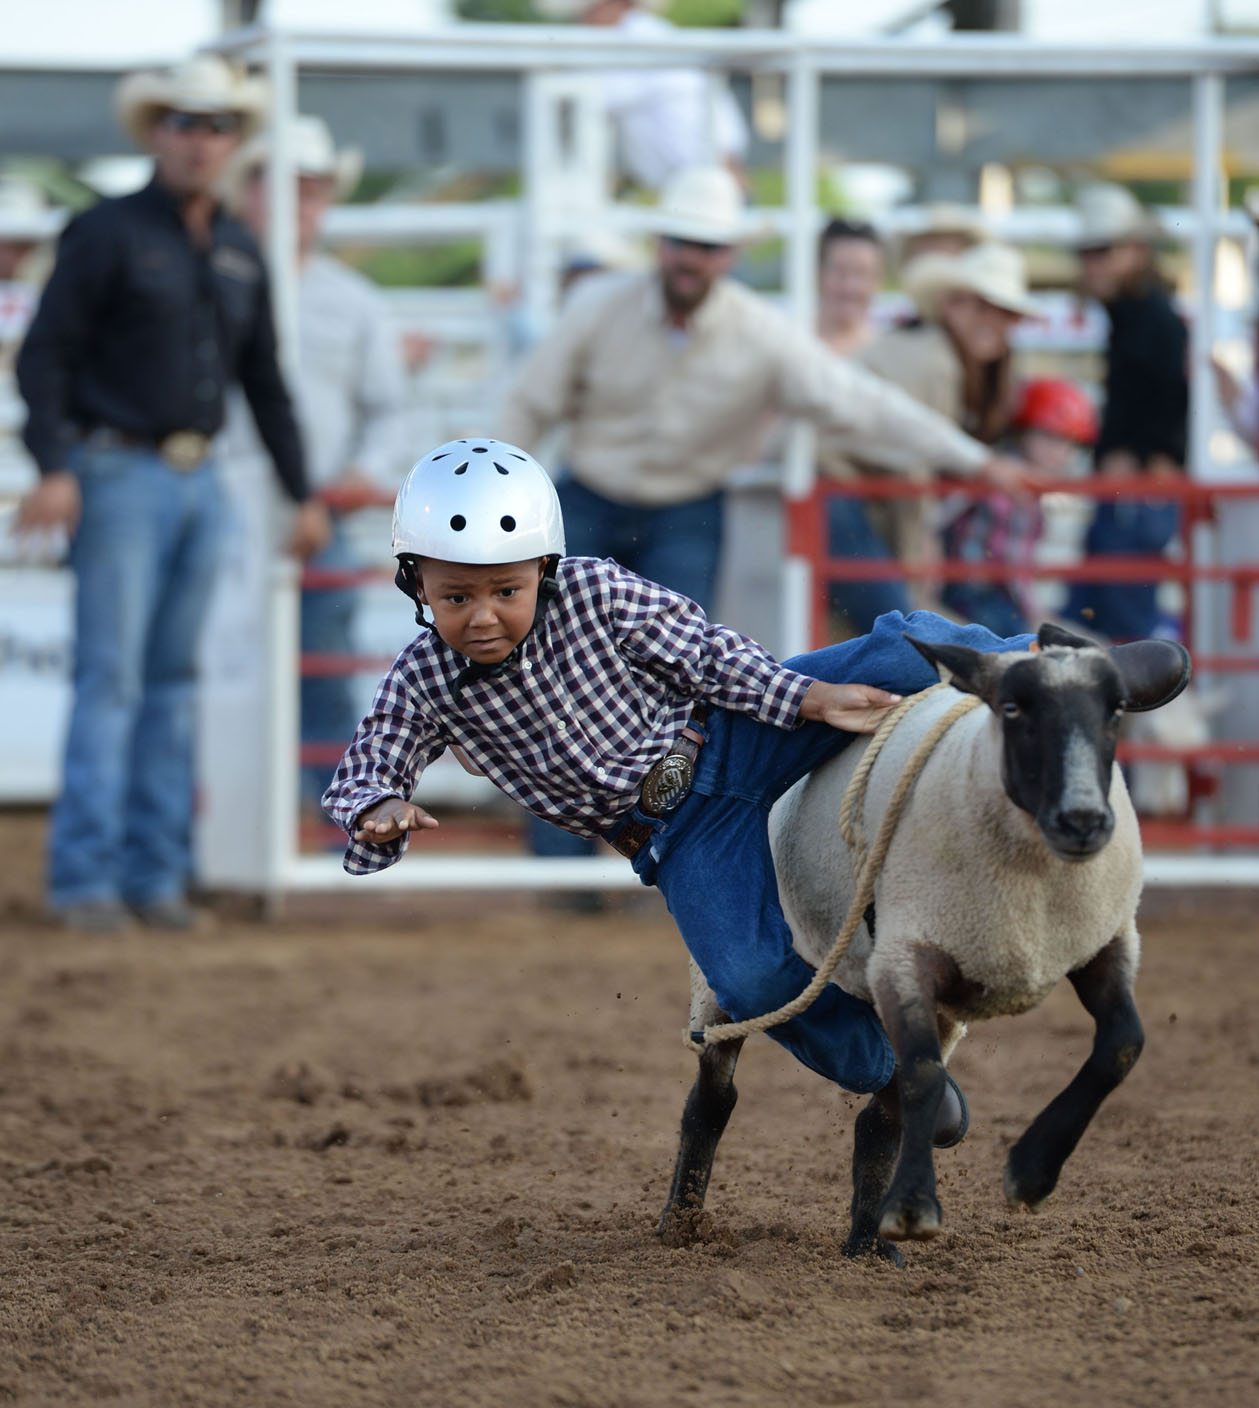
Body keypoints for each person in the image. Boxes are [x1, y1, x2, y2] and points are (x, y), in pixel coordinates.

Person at [322, 438, 1046, 1126]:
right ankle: (897, 1073)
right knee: (751, 980)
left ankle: (1038, 662)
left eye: (504, 590)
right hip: (676, 834)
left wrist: (801, 698)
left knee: (895, 650)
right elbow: (373, 758)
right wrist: (378, 806)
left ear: (542, 568)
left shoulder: (597, 591)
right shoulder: (425, 679)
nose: (482, 616)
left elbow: (704, 654)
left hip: (730, 735)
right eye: (456, 598)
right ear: (416, 585)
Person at [498, 166, 1026, 862]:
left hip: (681, 504)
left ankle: (645, 848)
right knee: (553, 668)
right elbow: (529, 404)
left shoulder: (755, 333)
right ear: (663, 244)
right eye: (684, 240)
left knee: (664, 684)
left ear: (729, 255)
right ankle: (563, 860)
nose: (692, 256)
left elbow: (861, 405)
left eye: (707, 244)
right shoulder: (603, 307)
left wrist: (972, 459)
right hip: (591, 497)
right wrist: (495, 500)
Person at [14, 55, 331, 931]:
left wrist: (301, 491)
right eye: (187, 123)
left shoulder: (235, 248)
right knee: (119, 679)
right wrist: (54, 465)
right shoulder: (106, 233)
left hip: (199, 478)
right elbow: (46, 355)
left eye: (217, 125)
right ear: (159, 132)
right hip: (117, 469)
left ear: (232, 141)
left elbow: (263, 379)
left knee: (167, 682)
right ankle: (86, 880)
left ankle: (152, 878)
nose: (202, 140)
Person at [224, 114, 411, 805]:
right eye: (279, 186)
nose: (296, 203)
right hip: (226, 500)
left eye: (309, 189)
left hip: (319, 510)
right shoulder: (215, 280)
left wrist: (364, 473)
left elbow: (388, 408)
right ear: (247, 192)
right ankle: (247, 815)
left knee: (323, 671)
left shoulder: (354, 303)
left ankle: (329, 819)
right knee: (225, 668)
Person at [819, 242, 1037, 635]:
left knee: (881, 629)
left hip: (843, 497)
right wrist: (919, 561)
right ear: (950, 305)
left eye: (1006, 314)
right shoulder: (938, 365)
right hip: (833, 496)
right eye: (981, 306)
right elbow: (915, 466)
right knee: (903, 634)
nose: (996, 322)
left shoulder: (927, 351)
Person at [1062, 183, 1186, 643]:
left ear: (1135, 250)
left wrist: (1143, 455)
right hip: (1129, 488)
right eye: (1087, 252)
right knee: (1101, 625)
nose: (1090, 263)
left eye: (1101, 251)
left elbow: (1172, 392)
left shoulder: (1149, 315)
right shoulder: (1140, 311)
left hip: (1133, 490)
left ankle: (1141, 713)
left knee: (1115, 628)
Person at [534, 0, 748, 190]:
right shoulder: (634, 37)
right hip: (692, 169)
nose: (584, 18)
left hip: (701, 165)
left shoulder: (643, 37)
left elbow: (604, 95)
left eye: (590, 9)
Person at [942, 377, 1099, 636]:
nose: (1059, 452)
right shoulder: (1014, 487)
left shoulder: (1003, 471)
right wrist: (1035, 614)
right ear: (1023, 432)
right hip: (978, 593)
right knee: (1020, 642)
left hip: (972, 590)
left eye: (1068, 443)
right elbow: (1011, 568)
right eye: (1048, 437)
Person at [816, 218, 885, 360]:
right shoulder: (792, 342)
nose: (849, 287)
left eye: (861, 273)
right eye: (840, 272)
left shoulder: (886, 353)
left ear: (878, 280)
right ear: (819, 273)